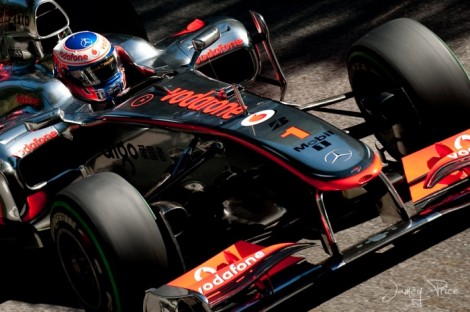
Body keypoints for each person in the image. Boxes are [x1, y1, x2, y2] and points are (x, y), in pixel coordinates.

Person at [52, 30, 157, 106]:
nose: (107, 76)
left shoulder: (135, 69)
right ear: (66, 75)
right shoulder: (63, 104)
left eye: (109, 66)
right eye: (91, 74)